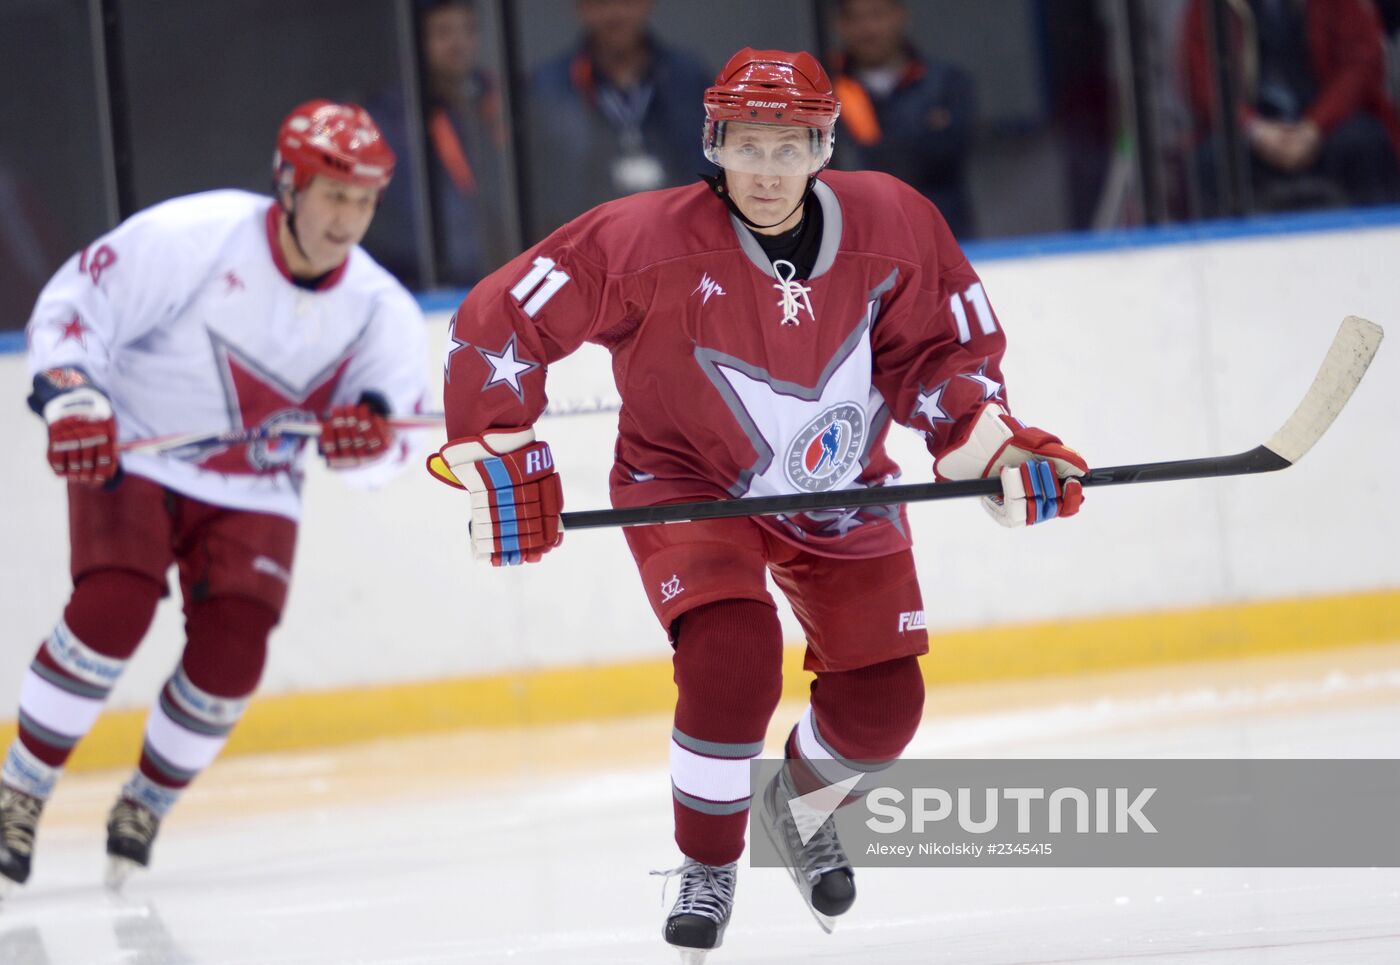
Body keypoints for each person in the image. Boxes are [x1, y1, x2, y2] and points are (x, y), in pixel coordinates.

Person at [430, 49, 1087, 958]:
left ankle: (799, 804)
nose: (768, 170)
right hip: (687, 478)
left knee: (886, 703)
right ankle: (708, 863)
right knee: (732, 661)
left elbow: (939, 359)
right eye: (749, 145)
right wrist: (501, 453)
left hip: (840, 482)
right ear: (716, 144)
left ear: (824, 147)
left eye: (790, 145)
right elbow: (502, 318)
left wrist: (994, 443)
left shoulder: (896, 223)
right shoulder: (641, 239)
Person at [0, 101, 427, 894]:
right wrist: (73, 399)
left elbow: (393, 447)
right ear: (288, 185)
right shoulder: (194, 236)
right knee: (114, 606)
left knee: (233, 654)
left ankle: (146, 802)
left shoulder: (381, 309)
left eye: (365, 200)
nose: (348, 219)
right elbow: (72, 308)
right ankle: (19, 790)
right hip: (135, 446)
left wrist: (368, 444)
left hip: (253, 483)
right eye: (334, 194)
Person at [1181, 0, 1400, 214]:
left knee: (1366, 143)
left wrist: (1315, 126)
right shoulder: (1209, 6)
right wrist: (1256, 129)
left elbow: (1362, 62)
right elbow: (1203, 81)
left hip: (1328, 124)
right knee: (1215, 160)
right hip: (1253, 132)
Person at [524, 0, 712, 236]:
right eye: (602, 4)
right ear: (581, 8)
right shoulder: (548, 86)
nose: (615, 14)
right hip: (584, 243)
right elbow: (544, 186)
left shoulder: (688, 76)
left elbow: (708, 167)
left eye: (626, 2)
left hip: (679, 236)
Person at [367, 0, 509, 287]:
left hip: (505, 271)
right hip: (433, 282)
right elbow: (399, 221)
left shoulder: (499, 98)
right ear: (418, 40)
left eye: (468, 30)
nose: (458, 43)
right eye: (443, 32)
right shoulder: (394, 118)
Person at [828, 0, 977, 238]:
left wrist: (872, 154)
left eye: (878, 15)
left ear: (901, 15)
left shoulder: (947, 82)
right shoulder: (824, 89)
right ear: (839, 25)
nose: (868, 29)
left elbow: (948, 155)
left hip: (942, 236)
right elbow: (833, 168)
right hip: (859, 239)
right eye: (855, 18)